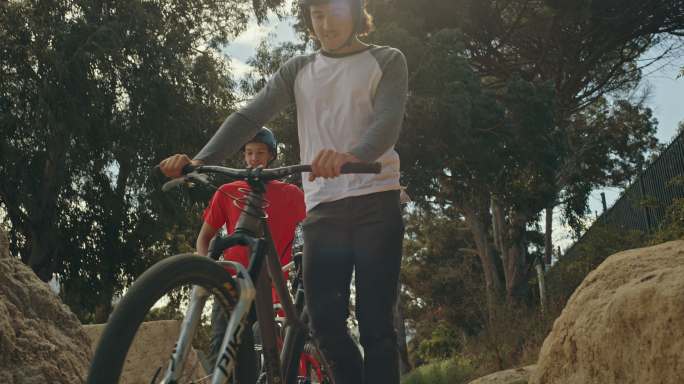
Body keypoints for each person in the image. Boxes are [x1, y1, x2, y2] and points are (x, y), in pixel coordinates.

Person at [159, 0, 408, 381]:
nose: (326, 24)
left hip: (376, 200)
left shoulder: (388, 60)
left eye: (335, 12)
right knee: (324, 324)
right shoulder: (299, 69)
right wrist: (199, 158)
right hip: (324, 207)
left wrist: (350, 155)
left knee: (377, 327)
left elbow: (386, 124)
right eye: (317, 15)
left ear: (357, 11)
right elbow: (250, 116)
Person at [195, 127, 306, 370]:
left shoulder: (292, 194)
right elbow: (204, 238)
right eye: (249, 153)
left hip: (273, 288)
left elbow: (315, 227)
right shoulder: (227, 192)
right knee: (223, 355)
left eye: (260, 152)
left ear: (271, 156)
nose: (254, 158)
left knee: (273, 360)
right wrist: (207, 271)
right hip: (231, 284)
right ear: (244, 156)